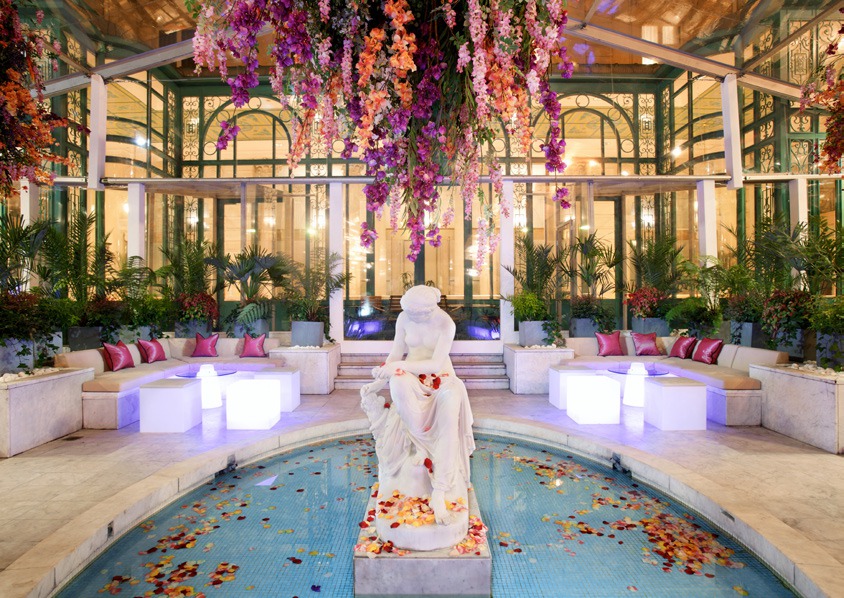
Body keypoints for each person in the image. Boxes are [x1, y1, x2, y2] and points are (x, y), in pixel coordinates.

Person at [361, 285, 475, 529]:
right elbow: (395, 354)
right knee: (398, 382)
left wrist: (398, 367)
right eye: (408, 312)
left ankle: (440, 491)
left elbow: (435, 364)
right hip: (410, 376)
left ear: (429, 310)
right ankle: (422, 446)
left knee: (449, 407)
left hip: (441, 380)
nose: (411, 317)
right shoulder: (404, 317)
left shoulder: (446, 325)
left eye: (416, 314)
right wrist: (379, 378)